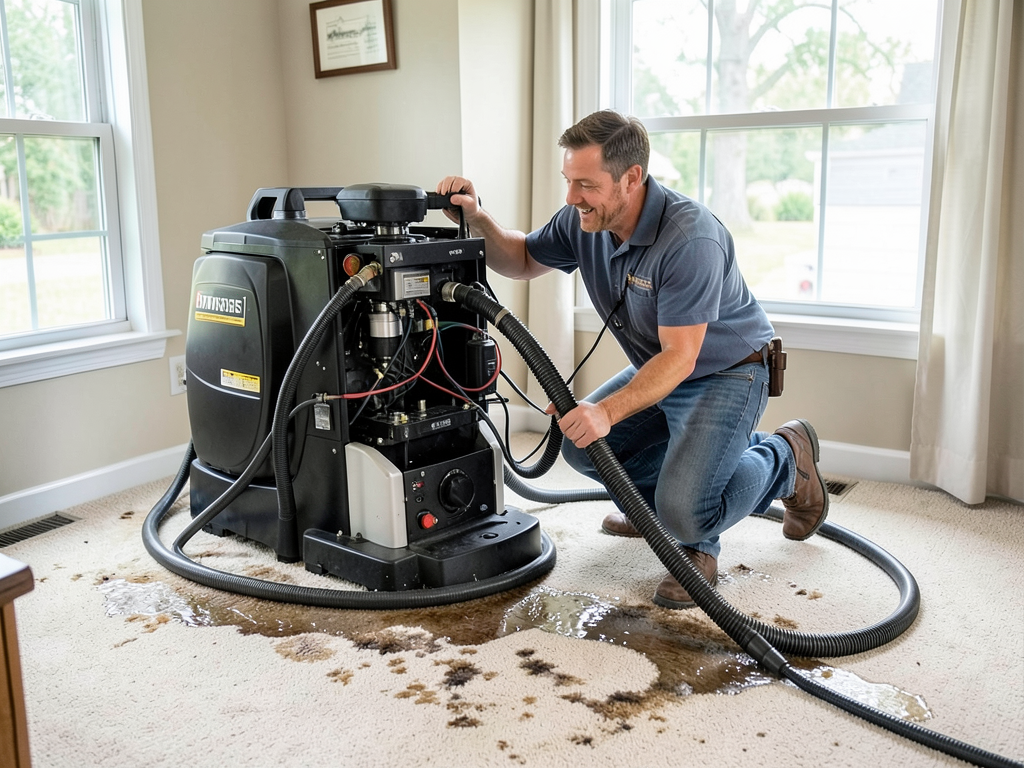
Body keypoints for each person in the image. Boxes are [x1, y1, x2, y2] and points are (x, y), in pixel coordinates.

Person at [436, 109, 828, 609]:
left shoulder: (691, 239)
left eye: (585, 184)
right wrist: (477, 219)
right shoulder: (584, 221)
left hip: (727, 371)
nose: (571, 197)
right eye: (568, 181)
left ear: (632, 178)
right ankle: (661, 506)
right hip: (663, 366)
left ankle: (784, 459)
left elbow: (681, 359)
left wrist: (604, 411)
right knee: (582, 446)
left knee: (685, 511)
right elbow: (521, 259)